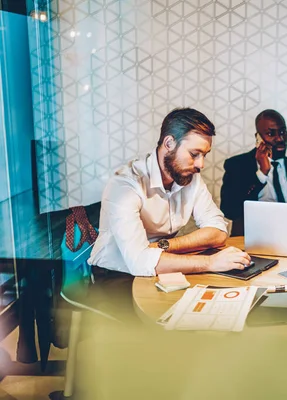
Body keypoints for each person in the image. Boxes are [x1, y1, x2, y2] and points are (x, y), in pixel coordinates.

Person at [88, 108, 250, 320]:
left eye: (204, 155)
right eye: (194, 154)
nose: (201, 165)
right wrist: (210, 263)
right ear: (169, 144)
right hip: (117, 276)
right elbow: (138, 262)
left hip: (165, 266)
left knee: (214, 313)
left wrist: (163, 247)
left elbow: (218, 230)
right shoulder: (126, 185)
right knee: (168, 331)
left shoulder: (190, 178)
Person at [220, 109, 287, 236]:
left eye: (283, 132)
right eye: (271, 133)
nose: (280, 138)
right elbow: (230, 210)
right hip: (254, 237)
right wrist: (261, 173)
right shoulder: (238, 165)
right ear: (258, 138)